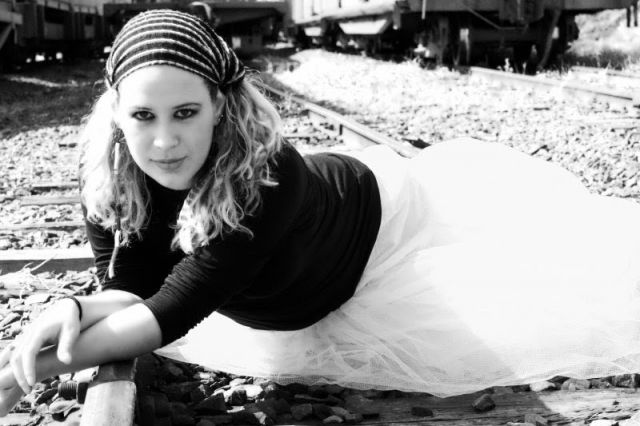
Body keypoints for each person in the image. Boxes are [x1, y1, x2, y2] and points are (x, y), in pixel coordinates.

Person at [2, 8, 640, 415]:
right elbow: (131, 290)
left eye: (186, 113)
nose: (164, 141)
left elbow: (167, 313)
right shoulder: (110, 177)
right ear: (116, 113)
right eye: (143, 115)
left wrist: (23, 371)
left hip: (373, 230)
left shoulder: (268, 173)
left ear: (219, 106)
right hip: (286, 275)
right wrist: (75, 308)